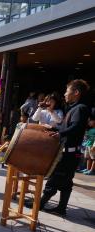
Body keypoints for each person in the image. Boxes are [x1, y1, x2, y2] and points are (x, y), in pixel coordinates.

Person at [39, 79, 91, 216]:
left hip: (69, 154)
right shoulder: (74, 108)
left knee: (55, 179)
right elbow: (68, 127)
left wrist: (59, 133)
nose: (65, 94)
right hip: (70, 153)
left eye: (67, 91)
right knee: (66, 183)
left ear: (76, 92)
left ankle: (39, 204)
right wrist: (54, 127)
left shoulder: (80, 109)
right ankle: (61, 208)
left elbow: (76, 127)